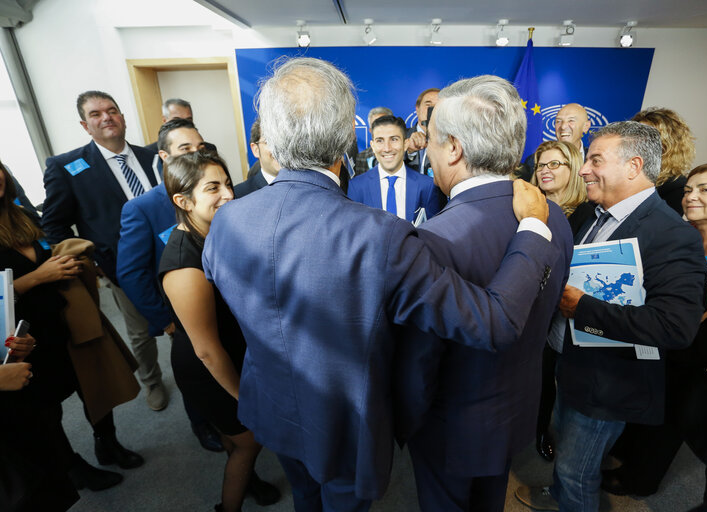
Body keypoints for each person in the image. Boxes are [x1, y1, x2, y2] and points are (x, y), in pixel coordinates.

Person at [202, 57, 558, 512]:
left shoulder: (226, 219)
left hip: (269, 406)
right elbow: (495, 322)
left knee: (305, 501)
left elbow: (236, 289)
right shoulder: (380, 236)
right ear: (348, 139)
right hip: (343, 427)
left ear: (270, 138)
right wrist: (532, 229)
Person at [394, 75, 573, 512]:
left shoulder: (430, 241)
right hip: (514, 412)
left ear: (453, 147)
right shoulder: (555, 218)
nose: (428, 150)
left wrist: (405, 422)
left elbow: (419, 363)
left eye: (432, 139)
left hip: (449, 428)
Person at [515, 121, 707, 512]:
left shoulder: (673, 235)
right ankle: (559, 495)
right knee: (568, 458)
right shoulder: (591, 212)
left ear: (634, 166)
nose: (584, 170)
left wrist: (580, 308)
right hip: (571, 366)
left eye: (595, 160)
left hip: (611, 383)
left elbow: (676, 326)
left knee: (577, 473)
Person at [601, 161, 707, 497]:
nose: (691, 197)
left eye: (705, 190)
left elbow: (695, 313)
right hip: (654, 338)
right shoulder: (683, 233)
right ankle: (624, 458)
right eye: (689, 189)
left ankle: (640, 482)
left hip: (693, 354)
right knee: (642, 409)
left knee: (666, 422)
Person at [159, 150, 279, 512]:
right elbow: (206, 350)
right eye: (213, 188)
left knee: (235, 437)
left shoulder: (216, 230)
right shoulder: (183, 264)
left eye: (227, 183)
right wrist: (246, 399)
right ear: (183, 200)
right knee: (249, 442)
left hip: (232, 348)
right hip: (208, 366)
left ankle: (250, 481)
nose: (228, 194)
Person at [0, 160, 126, 504]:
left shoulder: (23, 215)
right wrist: (40, 276)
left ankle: (108, 442)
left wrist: (65, 263)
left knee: (91, 384)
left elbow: (49, 251)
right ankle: (71, 465)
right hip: (22, 337)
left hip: (63, 319)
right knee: (46, 406)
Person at [42, 90, 167, 413]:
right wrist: (89, 261)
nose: (106, 117)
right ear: (85, 125)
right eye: (96, 114)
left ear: (123, 117)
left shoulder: (151, 156)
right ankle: (152, 380)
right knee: (141, 332)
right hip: (121, 267)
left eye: (111, 110)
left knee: (184, 317)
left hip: (170, 256)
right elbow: (53, 226)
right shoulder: (66, 167)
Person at [117, 118, 224, 452]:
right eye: (185, 149)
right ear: (164, 157)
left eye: (200, 147)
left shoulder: (215, 194)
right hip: (182, 318)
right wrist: (166, 321)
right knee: (200, 376)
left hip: (224, 306)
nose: (196, 154)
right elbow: (132, 273)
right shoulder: (142, 208)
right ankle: (201, 424)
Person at [529, 139, 593, 462]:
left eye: (555, 164)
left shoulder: (585, 214)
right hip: (525, 305)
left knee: (548, 378)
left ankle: (542, 431)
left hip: (560, 312)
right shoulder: (526, 205)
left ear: (572, 169)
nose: (545, 170)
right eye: (541, 165)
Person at [347, 115, 443, 222]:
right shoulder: (356, 187)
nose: (387, 148)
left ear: (405, 144)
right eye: (380, 141)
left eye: (394, 139)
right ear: (372, 146)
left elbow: (432, 234)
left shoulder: (427, 187)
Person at [632, 107, 696, 215]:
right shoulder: (621, 171)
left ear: (667, 144)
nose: (639, 140)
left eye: (649, 136)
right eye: (637, 133)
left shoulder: (676, 186)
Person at [517, 103, 591, 182]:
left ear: (586, 126)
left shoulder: (594, 159)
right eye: (558, 121)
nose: (563, 126)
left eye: (571, 120)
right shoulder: (534, 160)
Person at [235, 118, 279, 197]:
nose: (279, 148)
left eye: (285, 141)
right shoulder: (239, 194)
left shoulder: (306, 185)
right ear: (256, 150)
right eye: (269, 142)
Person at [405, 87, 440, 175]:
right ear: (417, 109)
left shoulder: (452, 140)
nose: (433, 110)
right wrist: (408, 151)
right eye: (428, 105)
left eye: (438, 105)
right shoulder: (401, 136)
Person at [354, 107, 393, 174]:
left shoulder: (404, 154)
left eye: (383, 124)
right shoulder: (361, 158)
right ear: (370, 131)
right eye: (375, 125)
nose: (380, 129)